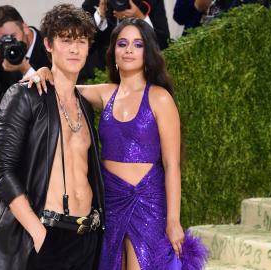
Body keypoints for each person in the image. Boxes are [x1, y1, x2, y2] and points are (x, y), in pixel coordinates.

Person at [31, 18, 208, 270]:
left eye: (137, 44)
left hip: (148, 202)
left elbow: (171, 165)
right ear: (113, 50)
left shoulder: (160, 98)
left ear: (148, 52)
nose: (128, 50)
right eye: (122, 43)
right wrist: (44, 72)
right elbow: (64, 88)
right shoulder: (106, 93)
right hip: (111, 201)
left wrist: (174, 220)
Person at [0, 4, 105, 270]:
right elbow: (1, 170)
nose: (75, 49)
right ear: (48, 44)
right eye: (66, 40)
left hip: (86, 240)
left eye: (81, 41)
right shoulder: (25, 95)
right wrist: (37, 232)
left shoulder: (84, 104)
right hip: (45, 236)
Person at [79, 0, 170, 81]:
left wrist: (141, 19)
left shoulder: (151, 2)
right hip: (96, 73)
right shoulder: (96, 2)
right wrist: (99, 16)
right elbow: (80, 42)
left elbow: (163, 44)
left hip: (140, 75)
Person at [0, 5, 51, 102]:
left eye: (13, 36)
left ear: (25, 27)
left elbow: (51, 96)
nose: (10, 42)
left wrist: (25, 69)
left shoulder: (49, 45)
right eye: (4, 39)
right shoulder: (4, 49)